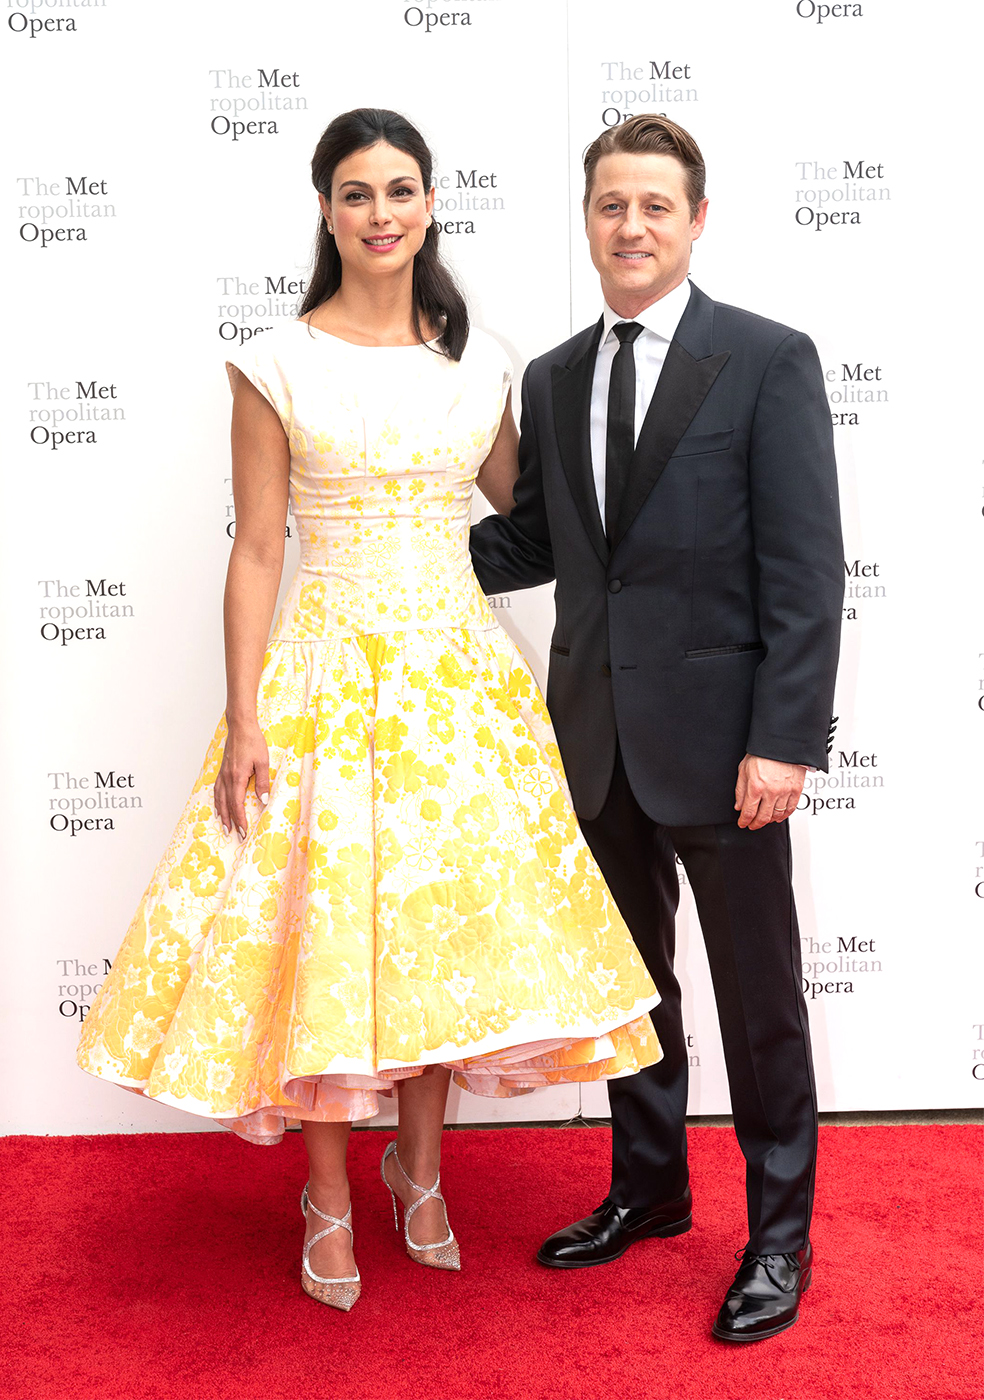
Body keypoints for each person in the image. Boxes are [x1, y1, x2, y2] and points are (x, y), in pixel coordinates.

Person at [76, 108, 664, 1314]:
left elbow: (530, 516)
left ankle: (424, 1166)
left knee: (436, 937)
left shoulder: (481, 362)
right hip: (325, 682)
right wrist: (245, 719)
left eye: (401, 190)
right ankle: (330, 1190)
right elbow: (253, 551)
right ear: (327, 210)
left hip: (458, 691)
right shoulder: (276, 358)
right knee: (329, 944)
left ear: (431, 204)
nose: (382, 214)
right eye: (356, 194)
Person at [470, 113, 844, 1343]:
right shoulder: (554, 373)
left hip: (729, 748)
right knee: (630, 991)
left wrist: (782, 739)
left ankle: (778, 1235)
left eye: (654, 206)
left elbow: (803, 573)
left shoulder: (767, 358)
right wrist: (390, 536)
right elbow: (535, 545)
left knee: (757, 1002)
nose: (630, 226)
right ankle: (649, 1188)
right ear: (586, 218)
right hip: (594, 738)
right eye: (609, 205)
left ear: (694, 220)